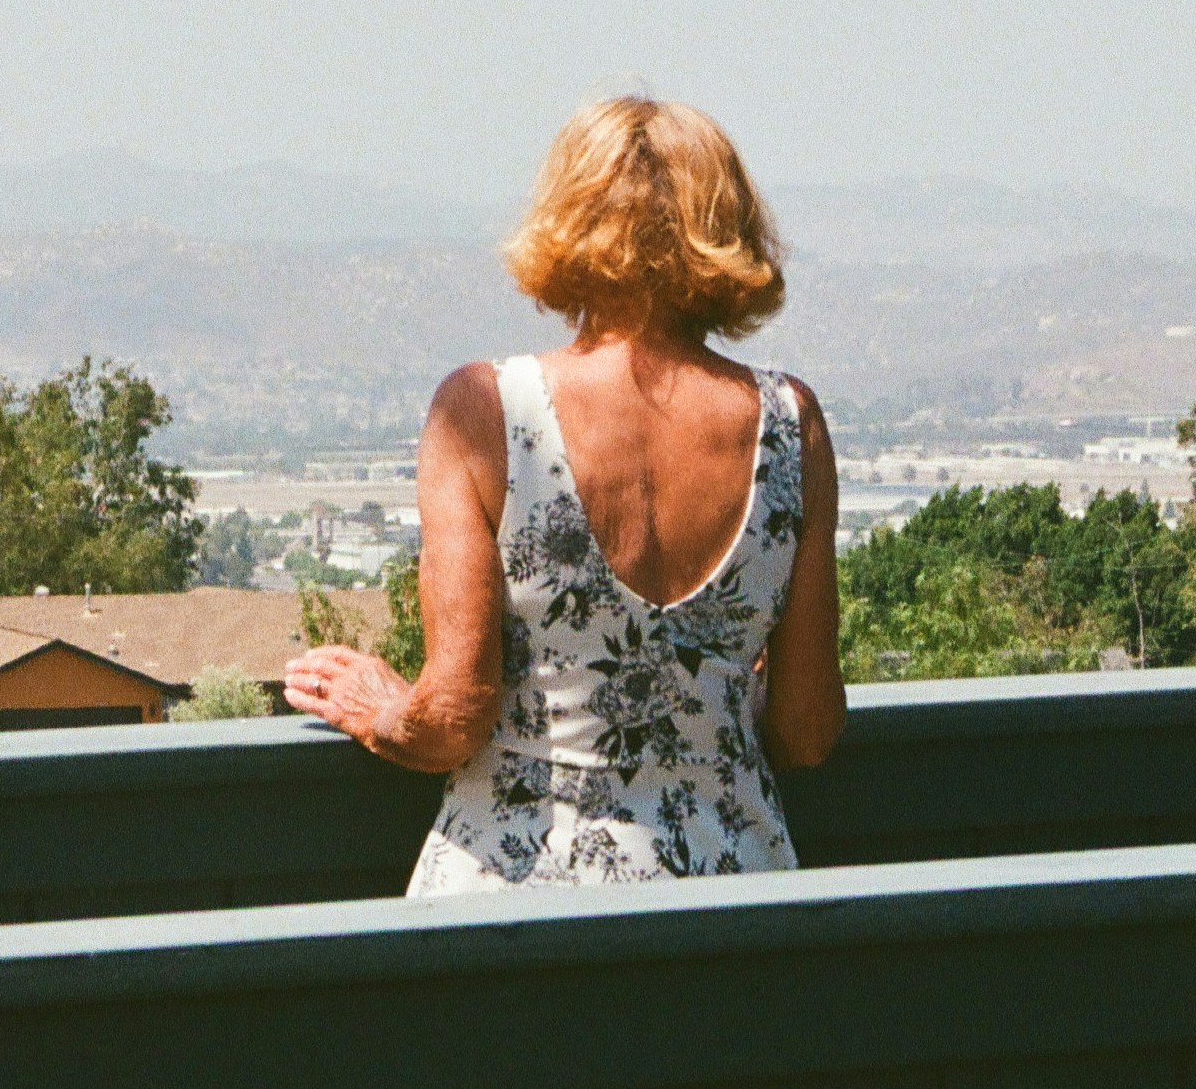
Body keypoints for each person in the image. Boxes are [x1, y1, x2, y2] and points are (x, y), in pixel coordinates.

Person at [284, 96, 845, 885]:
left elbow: (451, 719)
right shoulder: (791, 422)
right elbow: (808, 728)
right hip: (726, 901)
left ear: (568, 219)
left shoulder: (484, 411)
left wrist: (374, 706)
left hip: (521, 906)